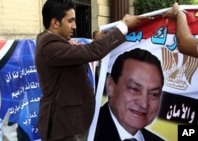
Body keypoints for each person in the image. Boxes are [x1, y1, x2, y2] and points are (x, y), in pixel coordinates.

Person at [35, 0, 145, 140]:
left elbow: (85, 52)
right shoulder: (50, 46)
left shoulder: (56, 43)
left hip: (67, 123)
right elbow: (92, 52)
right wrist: (123, 27)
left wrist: (97, 41)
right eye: (70, 21)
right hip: (61, 126)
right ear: (55, 23)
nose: (74, 26)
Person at [94, 48, 165, 141]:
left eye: (154, 94)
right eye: (134, 89)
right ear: (110, 86)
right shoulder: (84, 133)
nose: (144, 104)